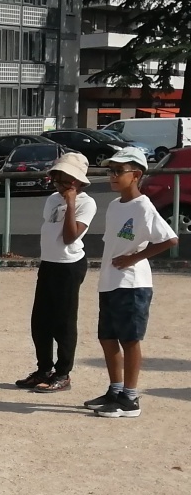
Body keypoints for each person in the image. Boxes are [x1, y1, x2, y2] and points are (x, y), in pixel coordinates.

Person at [84, 146, 178, 418]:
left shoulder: (143, 206)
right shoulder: (115, 205)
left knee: (130, 339)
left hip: (132, 283)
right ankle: (115, 389)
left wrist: (135, 257)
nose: (112, 175)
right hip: (110, 281)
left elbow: (169, 238)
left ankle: (131, 397)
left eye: (119, 171)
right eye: (110, 170)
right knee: (107, 337)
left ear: (136, 174)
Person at [15, 151, 96, 393]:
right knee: (40, 321)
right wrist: (62, 198)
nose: (58, 184)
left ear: (76, 181)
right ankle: (43, 369)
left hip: (69, 265)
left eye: (63, 180)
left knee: (64, 321)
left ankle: (63, 373)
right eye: (56, 179)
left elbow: (70, 236)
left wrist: (71, 202)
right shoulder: (52, 200)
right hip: (49, 263)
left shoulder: (86, 203)